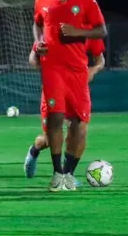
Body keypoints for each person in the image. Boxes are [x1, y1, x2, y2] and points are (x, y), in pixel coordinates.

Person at [31, 0, 107, 191]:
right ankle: (56, 174)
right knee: (55, 120)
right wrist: (39, 41)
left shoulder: (85, 1)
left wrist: (77, 31)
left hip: (76, 72)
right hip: (52, 70)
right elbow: (37, 24)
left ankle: (68, 173)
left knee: (80, 125)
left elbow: (101, 30)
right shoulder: (41, 2)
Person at [24, 38, 106, 181]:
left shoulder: (88, 31)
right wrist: (41, 62)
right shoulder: (50, 30)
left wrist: (93, 69)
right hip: (54, 88)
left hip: (78, 90)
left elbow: (100, 60)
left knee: (80, 131)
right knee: (50, 140)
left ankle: (68, 175)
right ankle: (35, 149)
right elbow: (32, 58)